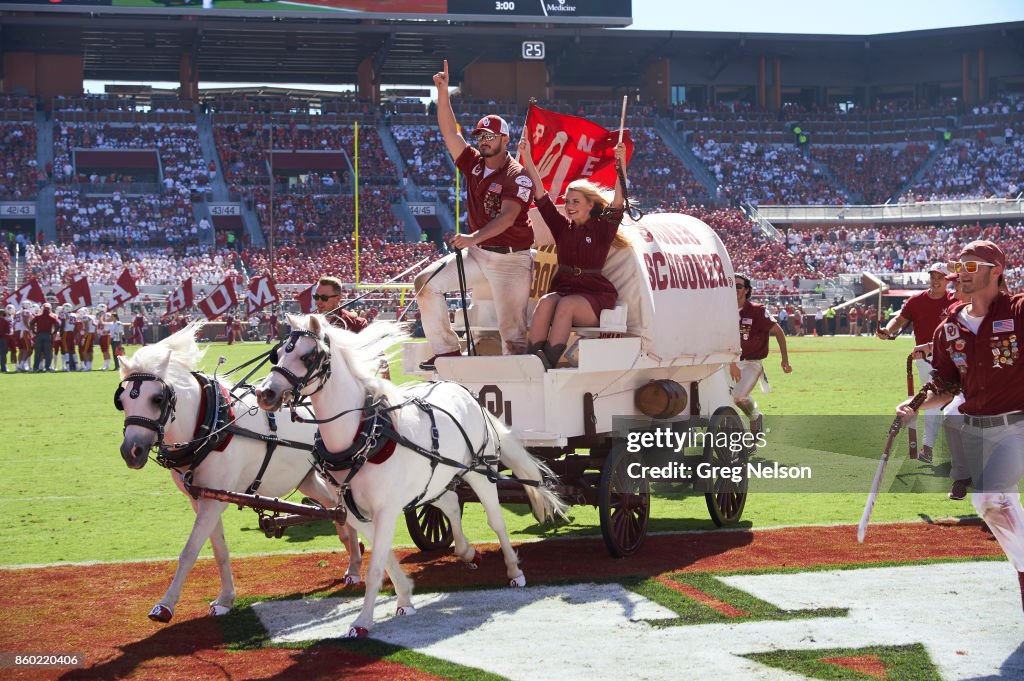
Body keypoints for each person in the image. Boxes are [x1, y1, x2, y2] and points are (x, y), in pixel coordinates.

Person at [896, 241, 1024, 611]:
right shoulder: (949, 328)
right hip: (979, 428)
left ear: (995, 270)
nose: (960, 274)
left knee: (989, 498)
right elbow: (947, 384)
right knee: (1002, 508)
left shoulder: (1018, 311)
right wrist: (917, 405)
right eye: (959, 267)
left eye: (971, 267)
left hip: (1018, 424)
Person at [414, 59, 535, 371]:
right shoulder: (473, 162)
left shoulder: (517, 175)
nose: (483, 141)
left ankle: (520, 398)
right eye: (480, 136)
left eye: (490, 136)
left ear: (505, 140)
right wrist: (442, 92)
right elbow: (449, 132)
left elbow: (508, 218)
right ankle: (446, 350)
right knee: (425, 283)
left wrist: (471, 238)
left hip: (511, 260)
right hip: (479, 254)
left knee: (513, 338)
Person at [518, 137, 628, 368]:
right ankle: (531, 359)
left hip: (593, 296)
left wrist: (621, 164)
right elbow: (541, 197)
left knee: (566, 306)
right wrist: (527, 157)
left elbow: (618, 201)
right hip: (565, 288)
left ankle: (546, 363)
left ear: (590, 204)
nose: (569, 206)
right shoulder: (562, 227)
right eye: (567, 201)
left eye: (576, 201)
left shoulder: (602, 227)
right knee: (547, 302)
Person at [878, 263, 955, 463]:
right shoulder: (916, 301)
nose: (936, 280)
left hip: (955, 359)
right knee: (931, 403)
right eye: (933, 276)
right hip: (926, 360)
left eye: (941, 277)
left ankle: (960, 448)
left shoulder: (955, 301)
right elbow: (900, 320)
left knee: (956, 403)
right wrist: (887, 330)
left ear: (948, 280)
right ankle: (928, 448)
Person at [730, 274, 793, 433]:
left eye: (738, 286)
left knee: (738, 397)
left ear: (746, 290)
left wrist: (784, 360)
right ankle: (737, 436)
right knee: (721, 400)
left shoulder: (757, 311)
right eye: (731, 285)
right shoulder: (723, 311)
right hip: (729, 361)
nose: (734, 289)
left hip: (752, 362)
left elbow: (778, 332)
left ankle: (755, 416)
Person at [30, 302, 59, 372]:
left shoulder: (38, 316)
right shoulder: (51, 317)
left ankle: (35, 367)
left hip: (39, 335)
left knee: (37, 352)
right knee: (47, 352)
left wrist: (34, 331)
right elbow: (57, 324)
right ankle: (47, 367)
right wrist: (54, 332)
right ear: (49, 310)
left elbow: (31, 323)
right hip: (47, 335)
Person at [0, 307, 10, 374]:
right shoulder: (5, 321)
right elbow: (8, 331)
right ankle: (3, 368)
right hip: (2, 338)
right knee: (3, 354)